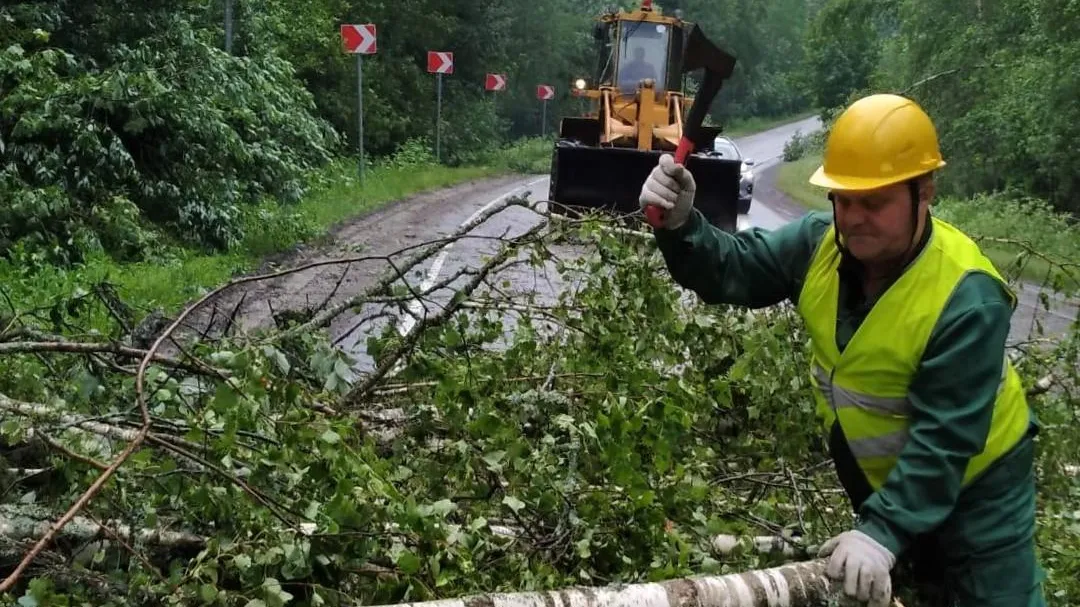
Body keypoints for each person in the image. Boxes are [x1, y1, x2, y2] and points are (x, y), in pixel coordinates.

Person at [637, 93, 1047, 606]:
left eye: (873, 202)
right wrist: (682, 225)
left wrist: (881, 530)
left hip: (981, 491)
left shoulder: (967, 300)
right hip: (888, 484)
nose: (853, 219)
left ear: (925, 193)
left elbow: (944, 444)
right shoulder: (819, 245)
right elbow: (734, 267)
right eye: (843, 199)